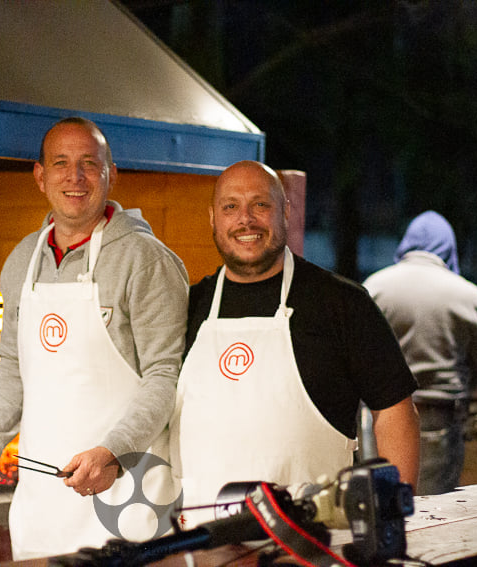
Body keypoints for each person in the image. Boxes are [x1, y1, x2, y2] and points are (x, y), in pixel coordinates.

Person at [0, 117, 189, 559]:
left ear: (110, 174)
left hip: (127, 496)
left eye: (89, 164)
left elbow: (164, 376)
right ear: (40, 177)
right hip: (43, 504)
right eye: (61, 163)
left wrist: (112, 453)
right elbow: (12, 369)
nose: (75, 178)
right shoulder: (22, 260)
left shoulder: (145, 259)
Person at [169, 160, 420, 528]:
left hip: (311, 543)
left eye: (260, 205)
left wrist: (392, 516)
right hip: (201, 542)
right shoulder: (188, 306)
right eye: (230, 207)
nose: (246, 220)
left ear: (286, 211)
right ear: (212, 218)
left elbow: (394, 411)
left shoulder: (342, 303)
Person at [363, 211, 477, 495]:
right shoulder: (469, 295)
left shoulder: (374, 287)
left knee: (381, 506)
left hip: (378, 416)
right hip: (439, 416)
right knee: (434, 510)